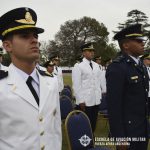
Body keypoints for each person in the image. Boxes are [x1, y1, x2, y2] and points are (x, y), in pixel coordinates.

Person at [0, 7, 61, 150]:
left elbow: (55, 131)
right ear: (8, 45)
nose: (34, 40)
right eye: (24, 36)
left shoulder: (51, 81)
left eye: (35, 36)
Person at [106, 24, 149, 150]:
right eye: (138, 41)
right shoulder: (117, 67)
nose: (143, 43)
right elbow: (114, 106)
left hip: (142, 128)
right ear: (125, 45)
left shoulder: (140, 65)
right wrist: (119, 137)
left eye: (142, 40)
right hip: (128, 131)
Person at [72, 42, 106, 132]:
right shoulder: (78, 66)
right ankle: (85, 141)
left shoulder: (96, 65)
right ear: (83, 53)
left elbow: (98, 81)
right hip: (85, 101)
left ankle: (92, 137)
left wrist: (100, 94)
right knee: (85, 124)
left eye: (93, 51)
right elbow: (76, 85)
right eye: (89, 51)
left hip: (95, 99)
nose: (92, 53)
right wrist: (80, 101)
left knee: (93, 121)